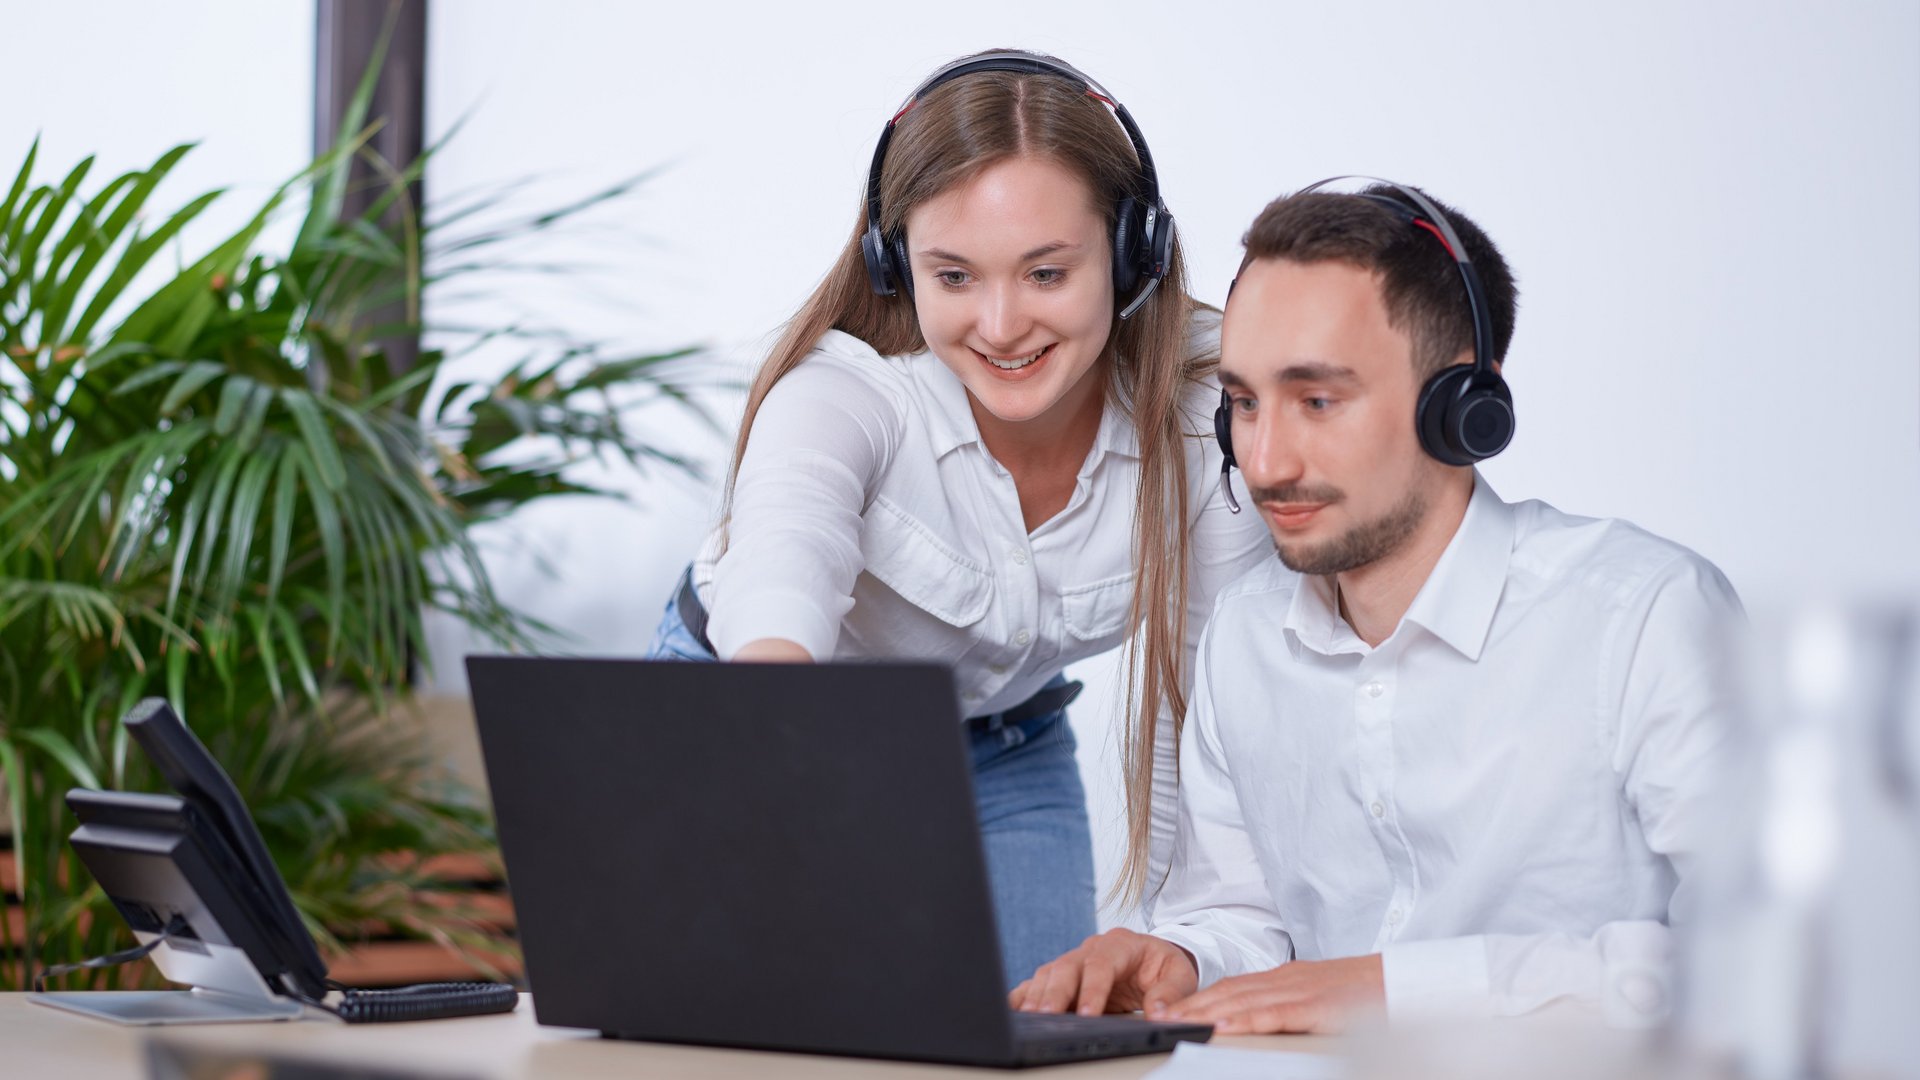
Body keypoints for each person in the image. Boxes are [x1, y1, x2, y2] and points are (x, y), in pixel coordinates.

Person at [1009, 182, 1742, 1029]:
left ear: (1465, 408)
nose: (1265, 460)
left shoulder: (1645, 617)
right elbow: (1241, 915)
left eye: (1318, 400)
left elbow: (1762, 948)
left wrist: (1401, 989)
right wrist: (1179, 955)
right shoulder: (1245, 637)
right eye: (1243, 404)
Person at [645, 51, 1273, 988]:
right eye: (954, 277)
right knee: (738, 1035)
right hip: (769, 722)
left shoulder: (1205, 404)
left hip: (1005, 747)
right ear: (897, 264)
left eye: (1047, 273)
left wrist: (1183, 942)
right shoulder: (844, 396)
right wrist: (770, 758)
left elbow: (1204, 703)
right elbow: (784, 571)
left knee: (1045, 1025)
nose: (1002, 323)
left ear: (1133, 253)